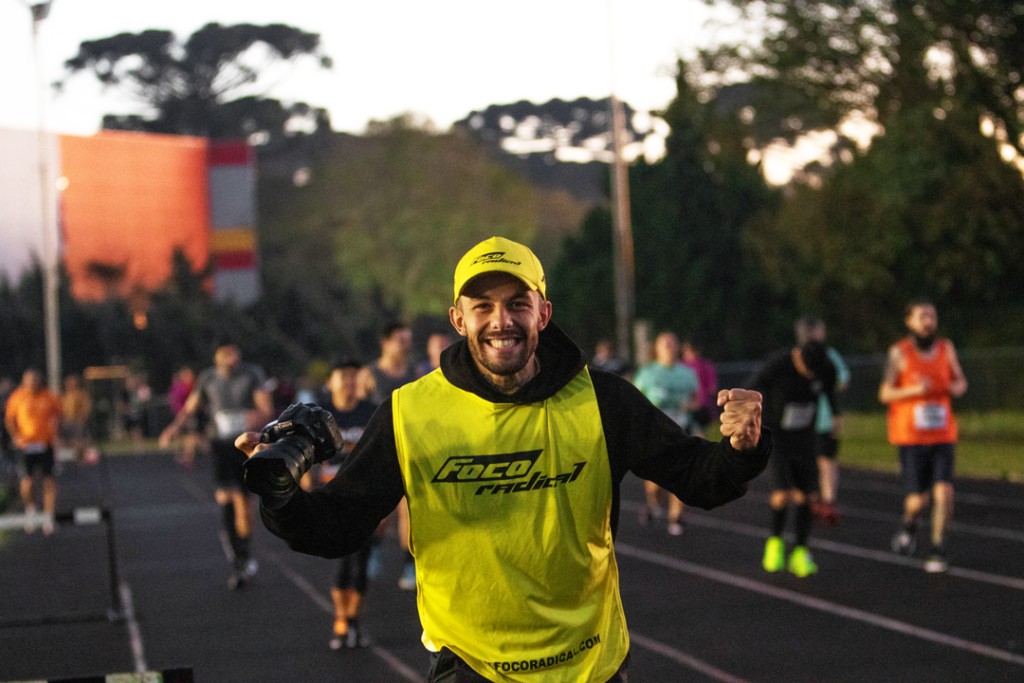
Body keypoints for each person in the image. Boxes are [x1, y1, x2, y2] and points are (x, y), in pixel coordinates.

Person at [238, 236, 769, 683]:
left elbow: (702, 480)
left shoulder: (604, 401)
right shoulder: (410, 412)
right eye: (483, 307)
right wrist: (281, 493)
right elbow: (338, 527)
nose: (501, 321)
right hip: (471, 667)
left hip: (590, 668)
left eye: (518, 303)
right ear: (458, 318)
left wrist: (742, 449)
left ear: (544, 311)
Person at [160, 341, 273, 589]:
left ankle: (244, 551)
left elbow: (266, 408)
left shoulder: (251, 374)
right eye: (225, 354)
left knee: (244, 503)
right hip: (220, 445)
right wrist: (173, 429)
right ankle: (237, 558)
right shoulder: (208, 378)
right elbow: (190, 407)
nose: (231, 359)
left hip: (244, 445)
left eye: (234, 353)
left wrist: (256, 415)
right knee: (224, 498)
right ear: (216, 356)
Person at [879, 301, 967, 574]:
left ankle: (938, 549)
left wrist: (954, 387)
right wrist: (914, 390)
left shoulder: (946, 349)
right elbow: (885, 393)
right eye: (922, 316)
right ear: (910, 321)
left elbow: (961, 382)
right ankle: (909, 525)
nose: (928, 321)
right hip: (911, 437)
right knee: (918, 501)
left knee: (944, 491)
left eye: (932, 315)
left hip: (942, 434)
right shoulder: (899, 353)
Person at [748, 338, 837, 577]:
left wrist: (836, 416)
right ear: (798, 359)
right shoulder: (778, 364)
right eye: (807, 372)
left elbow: (829, 390)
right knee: (781, 495)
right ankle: (775, 543)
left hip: (804, 436)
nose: (810, 377)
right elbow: (753, 388)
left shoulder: (825, 368)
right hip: (775, 435)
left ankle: (800, 552)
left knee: (805, 496)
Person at [310, 359, 380, 649]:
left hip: (363, 497)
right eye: (344, 378)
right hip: (331, 497)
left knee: (361, 563)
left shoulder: (372, 412)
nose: (350, 383)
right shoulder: (321, 416)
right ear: (332, 382)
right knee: (341, 562)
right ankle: (341, 618)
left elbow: (381, 454)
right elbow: (308, 454)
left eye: (355, 378)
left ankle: (354, 621)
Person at [357, 321, 419, 590]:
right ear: (386, 343)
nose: (407, 346)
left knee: (410, 511)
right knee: (382, 514)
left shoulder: (414, 373)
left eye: (408, 340)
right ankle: (375, 547)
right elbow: (357, 412)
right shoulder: (369, 375)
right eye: (401, 340)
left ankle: (409, 565)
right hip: (379, 450)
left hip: (408, 448)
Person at [632, 332, 700, 535]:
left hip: (681, 430)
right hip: (655, 432)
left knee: (681, 474)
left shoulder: (687, 373)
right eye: (665, 344)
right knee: (655, 481)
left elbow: (698, 401)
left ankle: (676, 517)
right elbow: (635, 400)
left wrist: (690, 405)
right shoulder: (647, 373)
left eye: (673, 344)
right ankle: (653, 505)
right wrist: (649, 407)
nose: (670, 347)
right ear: (658, 349)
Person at [794, 317, 849, 526]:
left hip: (823, 418)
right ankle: (815, 499)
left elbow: (842, 379)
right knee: (812, 461)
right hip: (807, 419)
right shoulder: (799, 356)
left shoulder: (828, 355)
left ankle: (827, 501)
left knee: (826, 460)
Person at [5, 369, 63, 535]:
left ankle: (48, 517)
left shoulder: (49, 397)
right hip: (26, 446)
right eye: (28, 381)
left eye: (35, 381)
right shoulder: (17, 397)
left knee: (48, 480)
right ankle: (30, 509)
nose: (32, 385)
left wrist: (57, 437)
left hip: (45, 444)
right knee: (27, 482)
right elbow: (10, 419)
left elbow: (59, 417)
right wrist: (16, 436)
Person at [681, 339, 719, 437]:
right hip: (703, 407)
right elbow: (712, 389)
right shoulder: (706, 365)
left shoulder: (681, 367)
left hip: (688, 408)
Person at [167, 367, 203, 469]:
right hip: (180, 414)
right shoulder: (179, 386)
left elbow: (193, 401)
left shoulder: (192, 386)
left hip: (189, 414)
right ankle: (185, 455)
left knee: (191, 435)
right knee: (183, 435)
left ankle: (189, 457)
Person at [60, 374, 93, 463]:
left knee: (81, 442)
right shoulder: (64, 396)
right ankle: (70, 460)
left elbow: (86, 408)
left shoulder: (81, 394)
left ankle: (82, 461)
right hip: (67, 422)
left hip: (78, 422)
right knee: (67, 443)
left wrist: (82, 420)